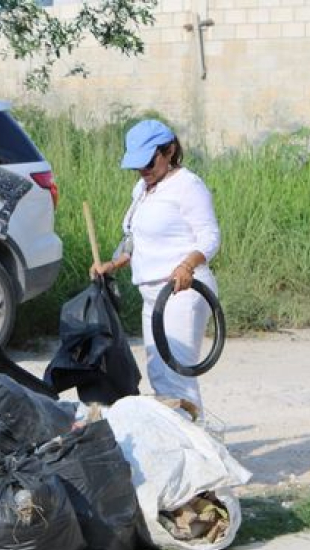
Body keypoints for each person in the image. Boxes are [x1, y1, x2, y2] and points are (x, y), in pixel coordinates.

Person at [91, 119, 221, 418]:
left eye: (149, 162)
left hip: (182, 292)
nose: (143, 170)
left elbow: (210, 236)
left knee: (177, 376)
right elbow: (134, 239)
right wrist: (112, 264)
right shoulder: (143, 188)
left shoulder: (188, 186)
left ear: (170, 150)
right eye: (138, 165)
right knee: (159, 374)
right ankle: (178, 443)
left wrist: (188, 265)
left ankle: (197, 448)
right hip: (152, 294)